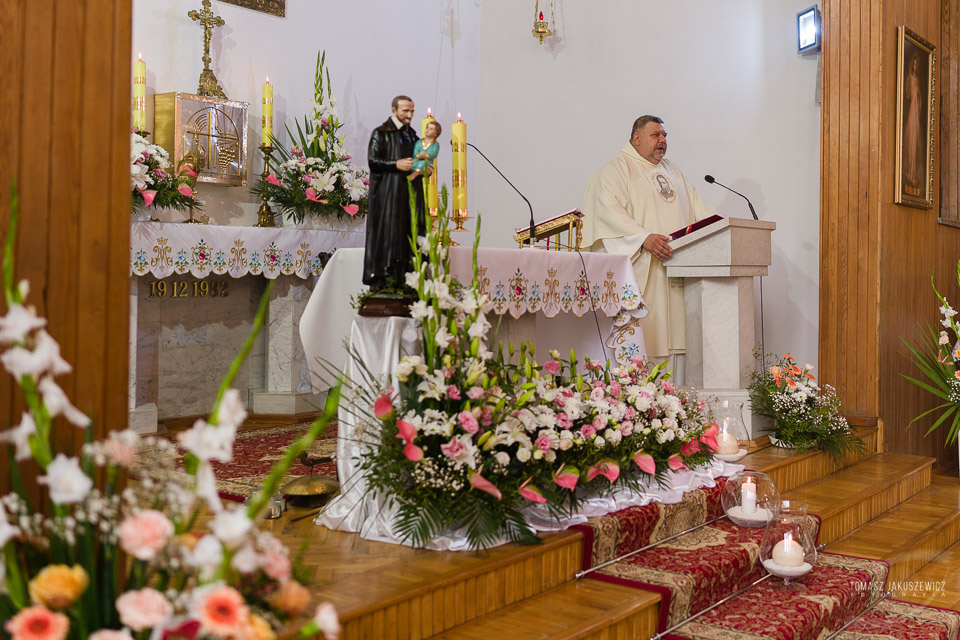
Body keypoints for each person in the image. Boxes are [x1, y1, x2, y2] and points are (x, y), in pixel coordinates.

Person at [581, 115, 715, 377]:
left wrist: (724, 226)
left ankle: (674, 399)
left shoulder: (673, 171)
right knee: (645, 342)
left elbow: (701, 211)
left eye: (665, 136)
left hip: (678, 271)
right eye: (656, 135)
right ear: (636, 138)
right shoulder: (615, 170)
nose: (662, 140)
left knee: (679, 342)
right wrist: (643, 238)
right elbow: (607, 215)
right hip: (643, 272)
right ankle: (641, 398)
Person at [362, 95, 427, 290]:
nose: (410, 115)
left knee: (408, 233)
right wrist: (395, 164)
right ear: (394, 110)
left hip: (409, 195)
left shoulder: (412, 136)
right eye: (405, 110)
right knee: (391, 234)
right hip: (389, 196)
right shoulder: (381, 133)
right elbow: (373, 160)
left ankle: (407, 278)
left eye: (412, 111)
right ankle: (387, 278)